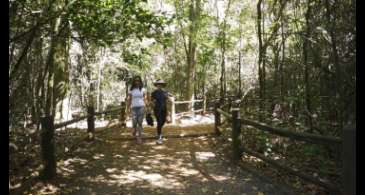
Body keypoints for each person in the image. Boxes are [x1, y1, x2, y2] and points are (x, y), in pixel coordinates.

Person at [127, 76, 148, 144]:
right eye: (136, 80)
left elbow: (145, 99)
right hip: (134, 108)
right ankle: (134, 130)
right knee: (134, 122)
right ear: (134, 82)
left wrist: (146, 107)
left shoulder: (143, 90)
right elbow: (129, 100)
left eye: (138, 80)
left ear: (140, 81)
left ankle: (139, 137)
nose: (137, 82)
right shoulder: (131, 90)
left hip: (141, 107)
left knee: (140, 122)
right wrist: (128, 108)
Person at [151, 79, 172, 144]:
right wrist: (152, 107)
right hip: (157, 109)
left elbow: (169, 100)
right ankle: (159, 136)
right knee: (159, 122)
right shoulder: (154, 93)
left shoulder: (165, 92)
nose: (159, 85)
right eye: (158, 84)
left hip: (164, 109)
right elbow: (151, 101)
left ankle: (159, 132)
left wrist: (169, 111)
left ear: (162, 85)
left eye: (161, 84)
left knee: (162, 122)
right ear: (156, 85)